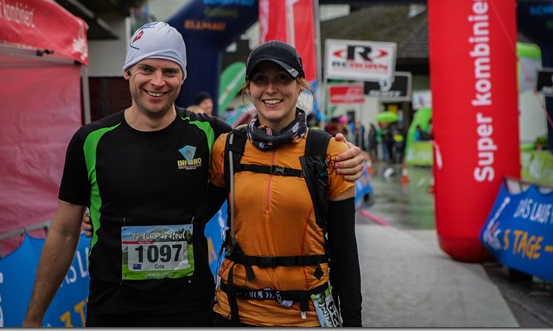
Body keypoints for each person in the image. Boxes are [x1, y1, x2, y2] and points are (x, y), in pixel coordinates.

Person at [22, 22, 365, 327]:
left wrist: (346, 153)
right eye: (146, 69)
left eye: (170, 71)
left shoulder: (212, 135)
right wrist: (33, 318)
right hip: (114, 310)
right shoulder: (91, 140)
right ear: (128, 72)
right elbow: (65, 232)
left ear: (183, 77)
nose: (158, 81)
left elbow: (274, 144)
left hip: (191, 310)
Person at [208, 40, 362, 326]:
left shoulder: (331, 152)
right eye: (260, 79)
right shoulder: (227, 148)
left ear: (300, 85)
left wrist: (353, 321)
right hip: (234, 313)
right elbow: (189, 213)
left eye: (282, 78)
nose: (270, 89)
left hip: (305, 318)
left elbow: (345, 250)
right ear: (248, 88)